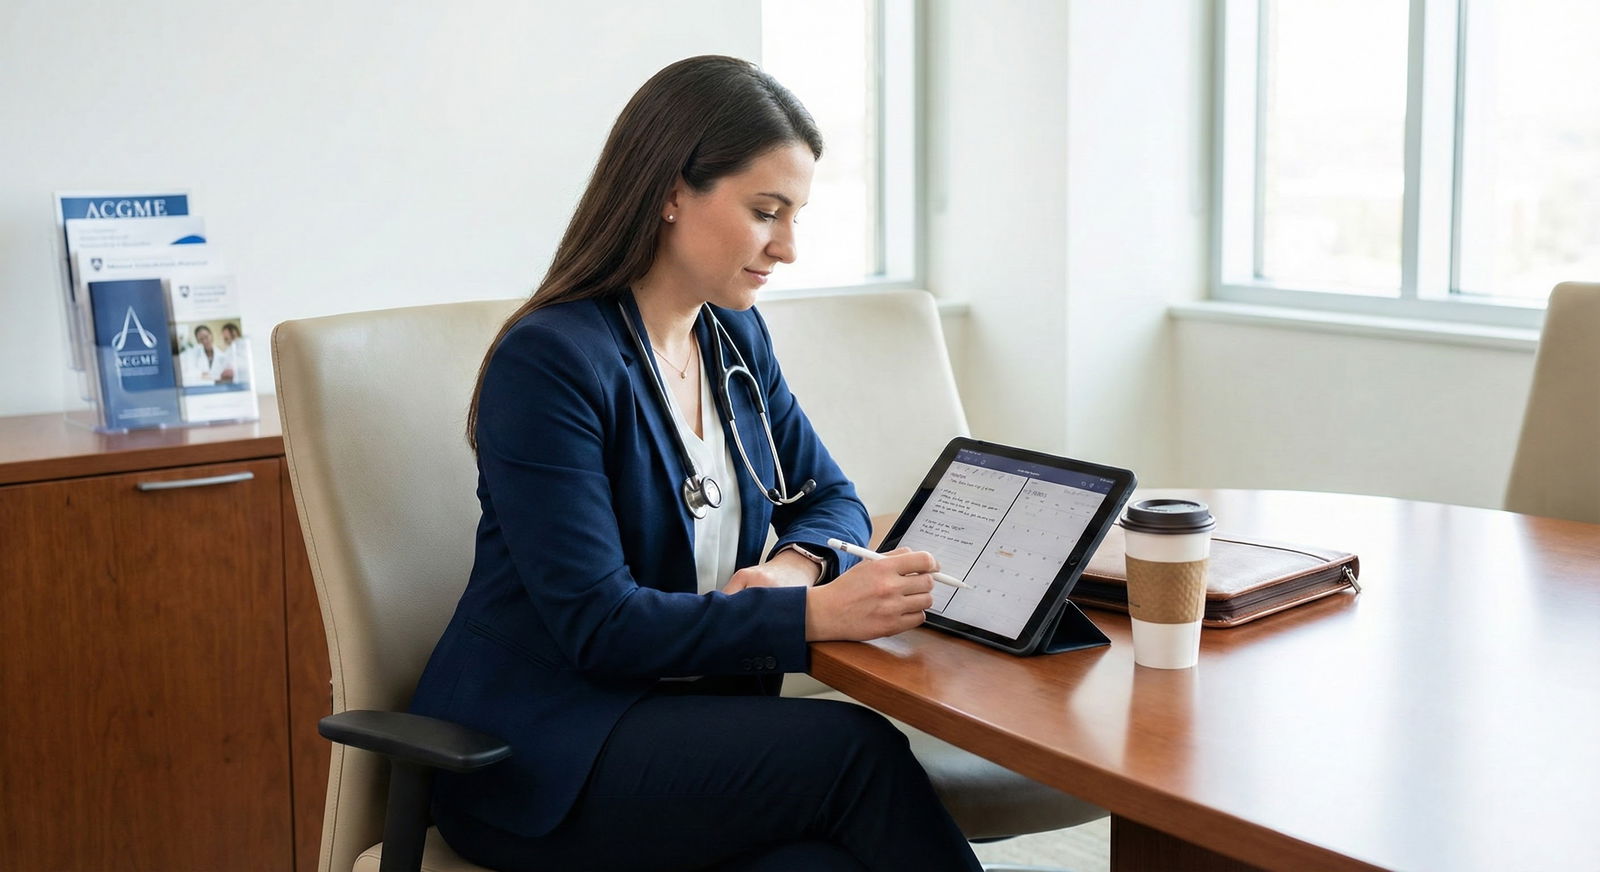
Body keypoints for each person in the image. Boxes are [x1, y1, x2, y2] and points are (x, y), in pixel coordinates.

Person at [409, 56, 982, 872]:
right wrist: (814, 615)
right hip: (547, 750)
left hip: (686, 731)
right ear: (672, 191)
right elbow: (600, 626)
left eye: (796, 215)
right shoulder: (552, 362)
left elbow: (832, 499)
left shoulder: (733, 339)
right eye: (765, 211)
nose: (787, 247)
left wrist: (792, 569)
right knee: (856, 754)